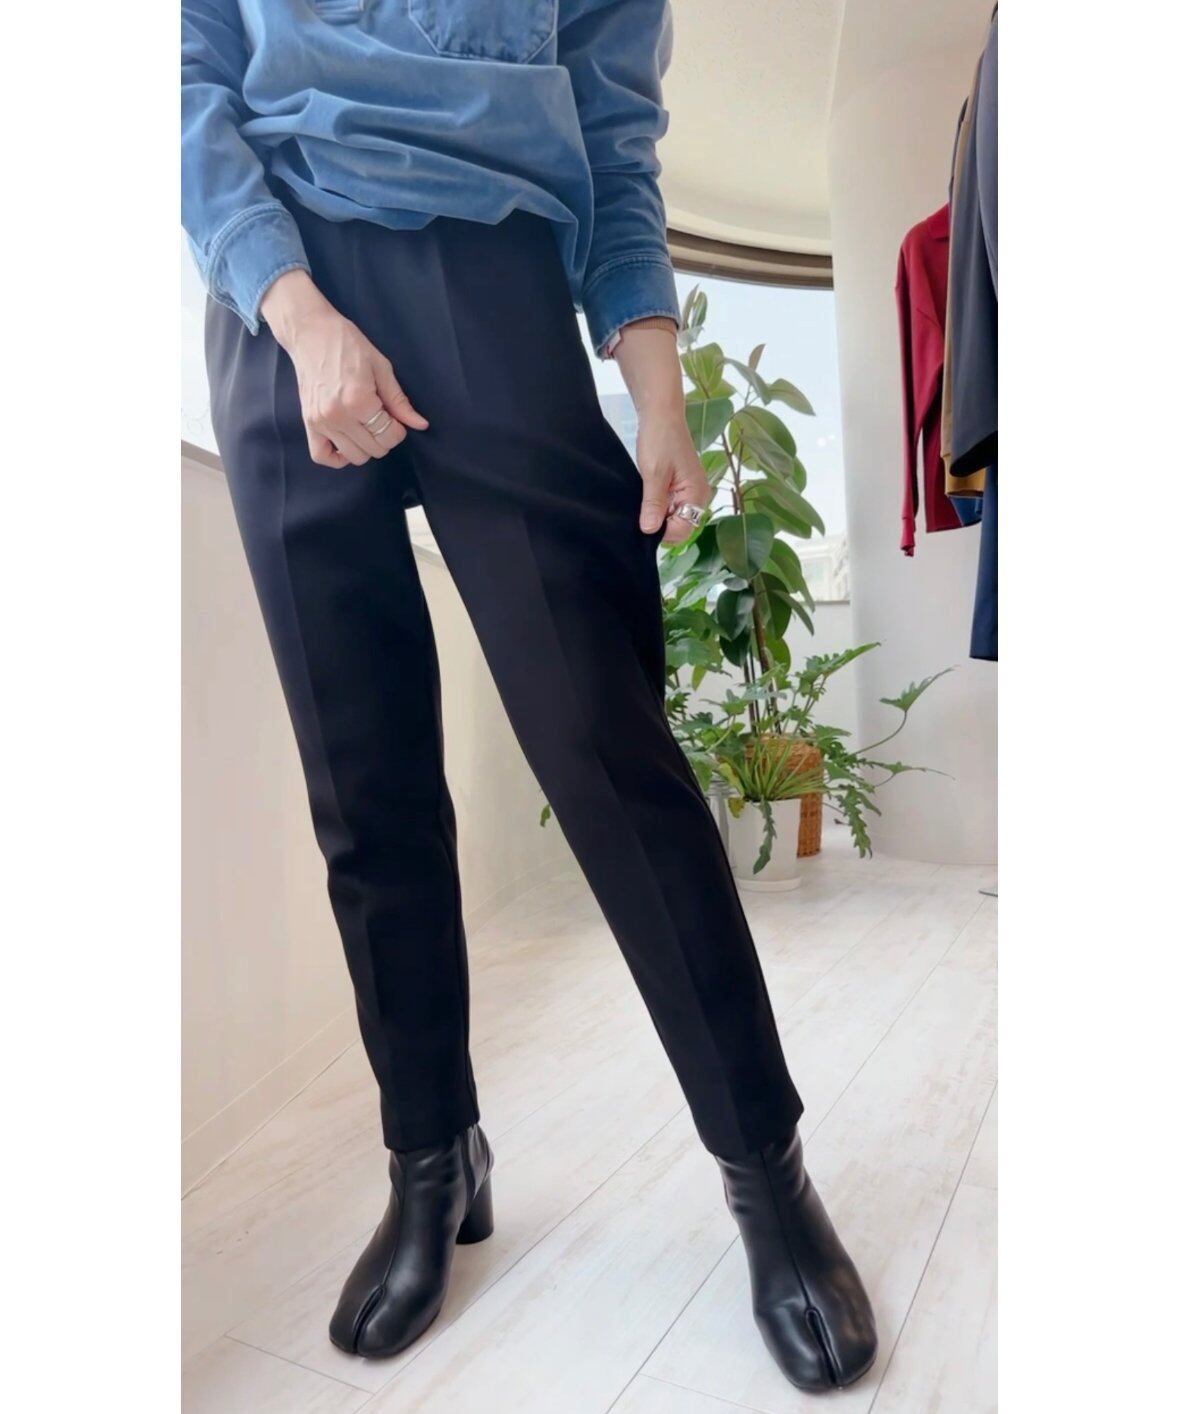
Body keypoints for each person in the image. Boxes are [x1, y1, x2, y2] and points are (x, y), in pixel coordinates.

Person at [181, 0, 876, 1392]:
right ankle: (432, 1158)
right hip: (275, 295)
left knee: (609, 749)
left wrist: (660, 396)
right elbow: (188, 79)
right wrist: (295, 309)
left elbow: (614, 144)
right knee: (362, 780)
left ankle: (766, 1170)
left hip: (490, 270)